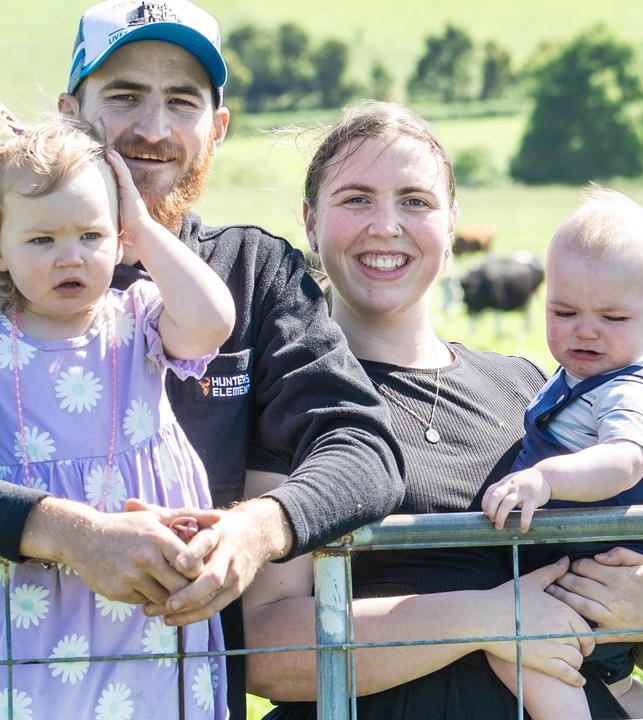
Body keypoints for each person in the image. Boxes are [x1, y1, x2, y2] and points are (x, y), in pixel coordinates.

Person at [1, 2, 405, 717]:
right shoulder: (10, 282)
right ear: (70, 116)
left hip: (175, 684)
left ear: (216, 128)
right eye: (123, 96)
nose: (153, 130)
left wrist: (254, 533)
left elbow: (363, 449)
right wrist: (64, 532)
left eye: (181, 102)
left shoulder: (252, 273)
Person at [242, 102, 643, 719]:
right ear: (310, 220)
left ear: (453, 221)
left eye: (415, 201)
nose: (386, 226)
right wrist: (486, 616)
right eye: (356, 199)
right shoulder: (292, 393)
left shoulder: (534, 390)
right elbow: (264, 648)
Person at [0, 120, 234, 716]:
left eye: (91, 233)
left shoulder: (138, 318)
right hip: (34, 601)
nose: (70, 256)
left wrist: (144, 228)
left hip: (149, 605)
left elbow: (212, 322)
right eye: (40, 240)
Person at [480, 188, 643, 719]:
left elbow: (626, 458)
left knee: (519, 655)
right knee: (610, 682)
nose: (585, 330)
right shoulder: (578, 379)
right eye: (565, 310)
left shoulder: (634, 393)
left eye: (613, 318)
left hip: (602, 577)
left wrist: (546, 479)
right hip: (584, 573)